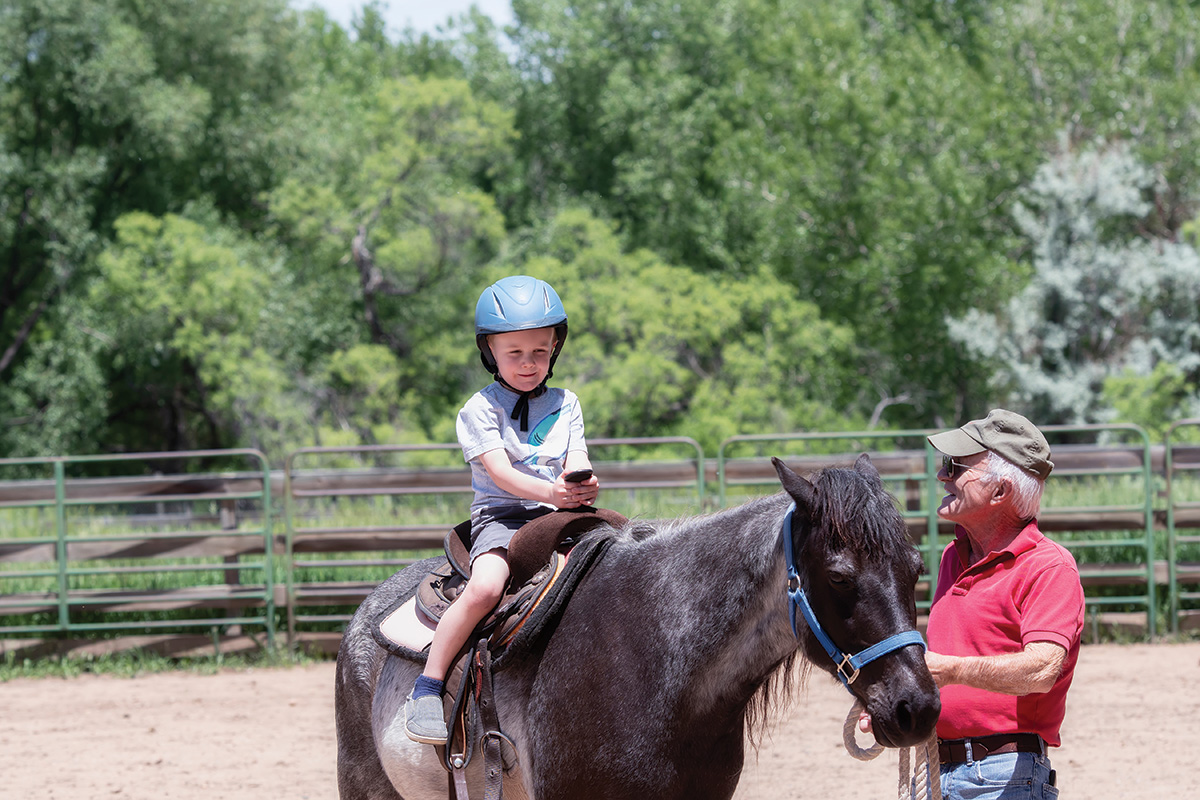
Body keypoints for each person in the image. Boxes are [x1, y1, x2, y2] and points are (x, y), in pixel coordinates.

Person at [402, 275, 599, 746]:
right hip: (504, 518)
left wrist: (583, 481)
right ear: (490, 352)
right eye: (515, 353)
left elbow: (578, 455)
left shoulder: (567, 403)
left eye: (540, 351)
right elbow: (501, 475)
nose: (529, 364)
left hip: (560, 514)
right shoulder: (479, 409)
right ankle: (428, 686)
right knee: (487, 586)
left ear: (555, 348)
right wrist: (552, 494)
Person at [921, 408, 1084, 799]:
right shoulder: (952, 558)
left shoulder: (1048, 566)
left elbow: (1042, 668)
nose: (943, 475)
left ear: (1000, 491)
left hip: (1001, 776)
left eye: (955, 467)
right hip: (938, 769)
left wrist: (950, 670)